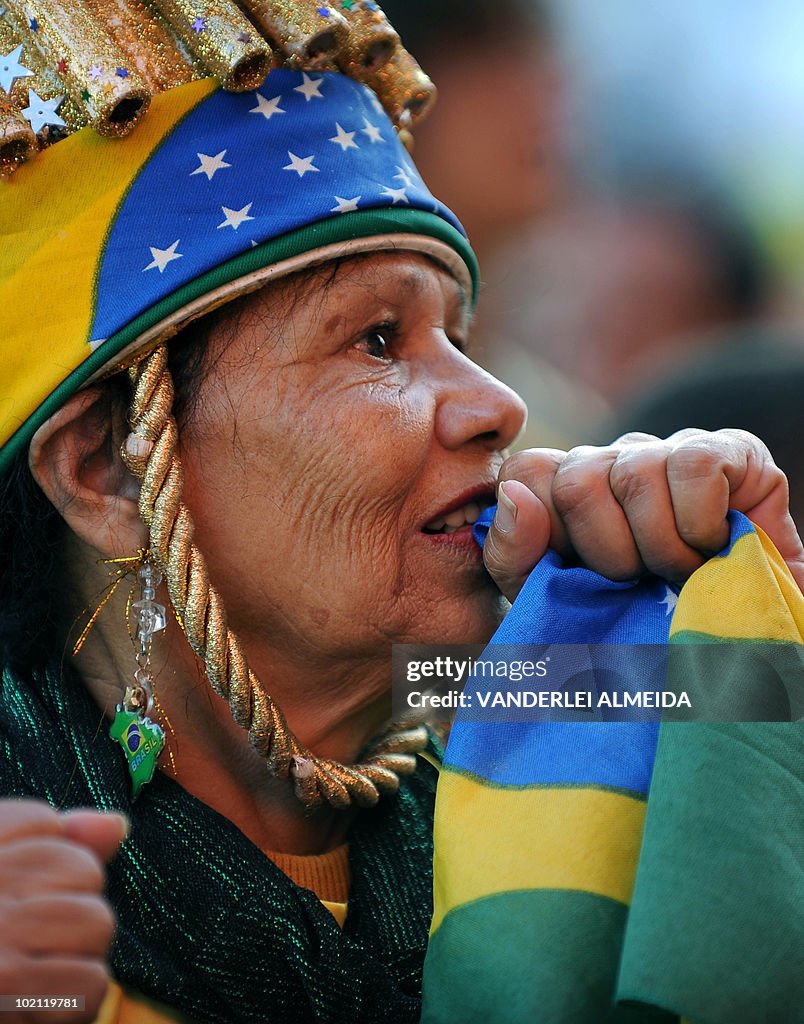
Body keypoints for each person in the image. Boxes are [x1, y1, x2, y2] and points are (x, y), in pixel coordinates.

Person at [1, 4, 802, 1023]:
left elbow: (751, 708)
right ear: (106, 470)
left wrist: (751, 599)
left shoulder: (495, 690)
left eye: (458, 336)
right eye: (377, 340)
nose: (498, 404)